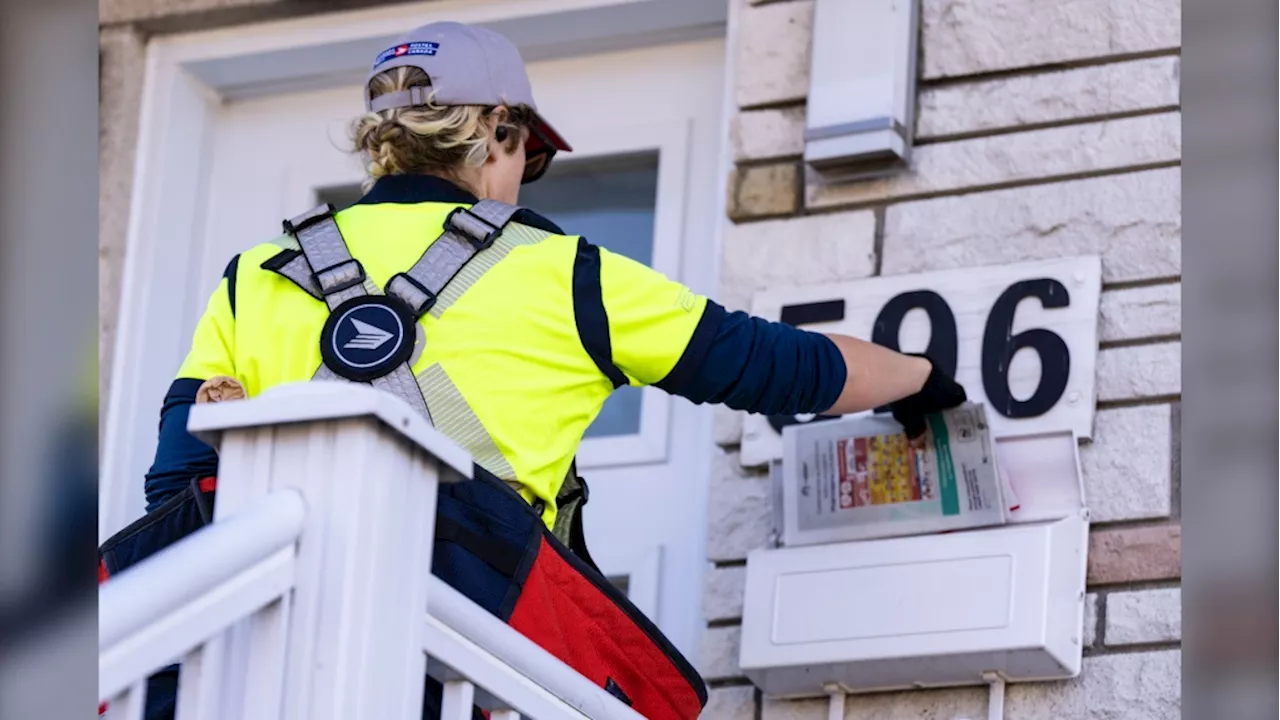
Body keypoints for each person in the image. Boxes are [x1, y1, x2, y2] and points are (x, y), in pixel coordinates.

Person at [115, 20, 967, 720]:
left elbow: (177, 490)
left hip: (249, 675)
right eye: (529, 153)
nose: (524, 174)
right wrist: (920, 375)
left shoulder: (257, 273)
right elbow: (778, 368)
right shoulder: (562, 272)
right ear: (497, 131)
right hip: (463, 661)